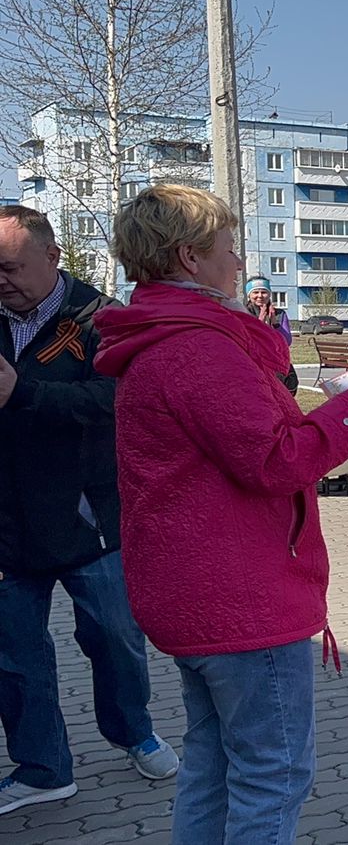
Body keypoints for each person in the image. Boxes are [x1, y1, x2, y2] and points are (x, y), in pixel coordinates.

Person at [93, 184, 348, 841]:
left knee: (212, 763)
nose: (239, 263)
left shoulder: (165, 336)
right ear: (190, 257)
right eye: (229, 249)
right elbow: (274, 460)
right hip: (238, 599)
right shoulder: (198, 346)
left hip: (195, 590)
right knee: (273, 772)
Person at [0, 204, 178, 818]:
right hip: (7, 523)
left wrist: (22, 394)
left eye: (11, 266)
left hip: (88, 518)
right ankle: (43, 769)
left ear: (53, 257)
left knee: (114, 637)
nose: (1, 280)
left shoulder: (103, 318)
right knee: (14, 654)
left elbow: (119, 401)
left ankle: (135, 733)